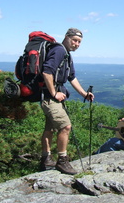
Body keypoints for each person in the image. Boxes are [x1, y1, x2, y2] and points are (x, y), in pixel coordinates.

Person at [40, 28, 94, 175]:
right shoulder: (59, 51)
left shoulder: (66, 54)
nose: (76, 44)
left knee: (49, 128)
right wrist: (54, 93)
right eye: (74, 40)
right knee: (66, 127)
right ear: (66, 37)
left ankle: (46, 159)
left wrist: (84, 94)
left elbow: (71, 77)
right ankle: (62, 160)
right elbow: (47, 72)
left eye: (79, 42)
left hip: (51, 96)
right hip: (50, 97)